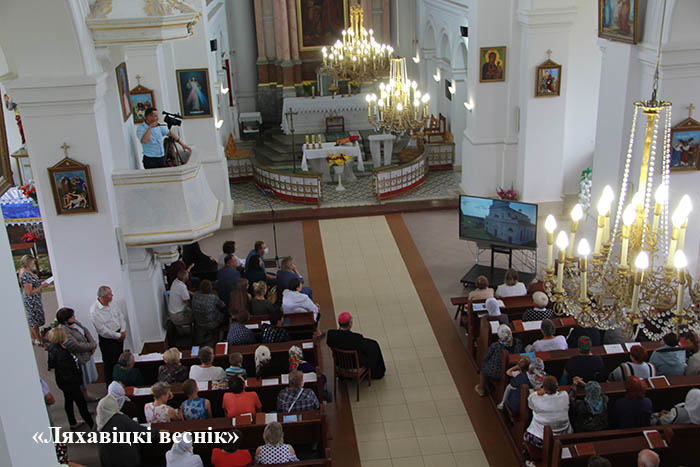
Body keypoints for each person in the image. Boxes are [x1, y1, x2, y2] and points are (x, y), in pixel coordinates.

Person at [47, 327, 95, 429]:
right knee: (81, 404)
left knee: (68, 400)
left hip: (62, 381)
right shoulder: (62, 353)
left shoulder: (52, 348)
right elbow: (68, 371)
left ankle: (72, 422)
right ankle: (92, 425)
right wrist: (77, 381)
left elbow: (51, 364)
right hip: (71, 383)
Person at [523, 376, 571, 460]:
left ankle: (529, 459)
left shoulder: (536, 399)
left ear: (544, 388)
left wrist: (537, 393)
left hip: (542, 438)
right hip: (563, 435)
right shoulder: (565, 395)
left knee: (526, 435)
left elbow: (530, 402)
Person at [96, 394, 152, 467]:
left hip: (106, 458)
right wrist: (157, 432)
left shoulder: (98, 421)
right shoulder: (120, 419)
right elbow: (140, 431)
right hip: (124, 458)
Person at [327, 312, 386, 379]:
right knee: (373, 348)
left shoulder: (331, 335)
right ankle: (377, 372)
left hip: (339, 363)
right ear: (350, 324)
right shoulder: (357, 338)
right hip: (353, 365)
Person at [56, 307, 98, 400]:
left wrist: (92, 344)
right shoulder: (64, 331)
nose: (74, 317)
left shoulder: (75, 323)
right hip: (80, 358)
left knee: (86, 379)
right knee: (82, 380)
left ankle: (85, 394)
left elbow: (86, 331)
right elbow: (76, 346)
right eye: (72, 316)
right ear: (66, 320)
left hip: (87, 354)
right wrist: (92, 346)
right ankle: (84, 396)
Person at [89, 285, 127, 387]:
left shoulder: (112, 303)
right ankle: (110, 385)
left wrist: (123, 330)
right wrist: (118, 335)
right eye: (110, 294)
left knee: (119, 359)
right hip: (108, 340)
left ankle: (121, 382)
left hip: (119, 334)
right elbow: (102, 330)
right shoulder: (94, 310)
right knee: (110, 363)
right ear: (103, 297)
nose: (112, 295)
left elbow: (120, 316)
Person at [475, 324, 524, 396]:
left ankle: (481, 388)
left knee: (483, 367)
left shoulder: (495, 346)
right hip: (512, 368)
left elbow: (486, 356)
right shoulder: (518, 343)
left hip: (497, 372)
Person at [18, 255, 47, 345]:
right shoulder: (25, 275)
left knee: (33, 319)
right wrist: (41, 286)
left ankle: (34, 338)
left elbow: (32, 283)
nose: (33, 264)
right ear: (28, 263)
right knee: (34, 321)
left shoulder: (27, 271)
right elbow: (29, 292)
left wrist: (39, 281)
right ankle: (38, 339)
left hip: (35, 299)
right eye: (32, 263)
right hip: (31, 301)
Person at [192, 279, 226, 347]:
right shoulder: (213, 297)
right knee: (224, 312)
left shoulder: (195, 295)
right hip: (212, 323)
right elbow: (221, 305)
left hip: (199, 322)